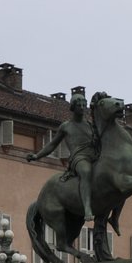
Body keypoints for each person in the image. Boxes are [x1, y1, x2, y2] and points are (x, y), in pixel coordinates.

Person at [27, 88, 98, 221]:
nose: (82, 108)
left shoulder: (90, 125)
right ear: (73, 107)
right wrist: (37, 156)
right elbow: (52, 145)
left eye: (84, 105)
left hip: (94, 155)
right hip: (79, 157)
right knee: (85, 171)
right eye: (79, 105)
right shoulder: (66, 126)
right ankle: (87, 208)